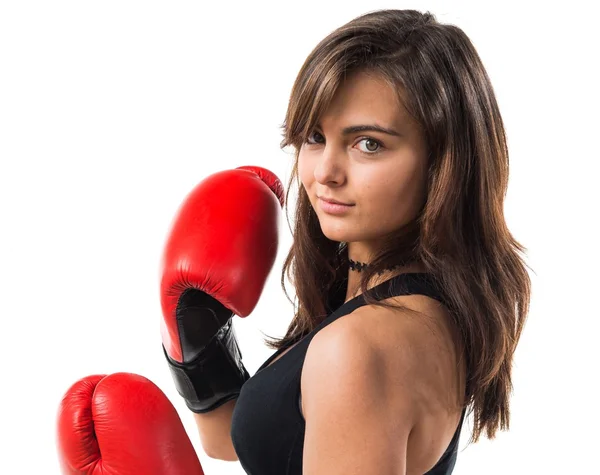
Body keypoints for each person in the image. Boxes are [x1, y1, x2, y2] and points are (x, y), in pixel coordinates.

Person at [56, 8, 531, 475]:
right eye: (314, 137)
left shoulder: (360, 346)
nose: (325, 172)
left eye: (369, 143)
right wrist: (198, 338)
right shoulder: (395, 307)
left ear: (443, 163)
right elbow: (249, 442)